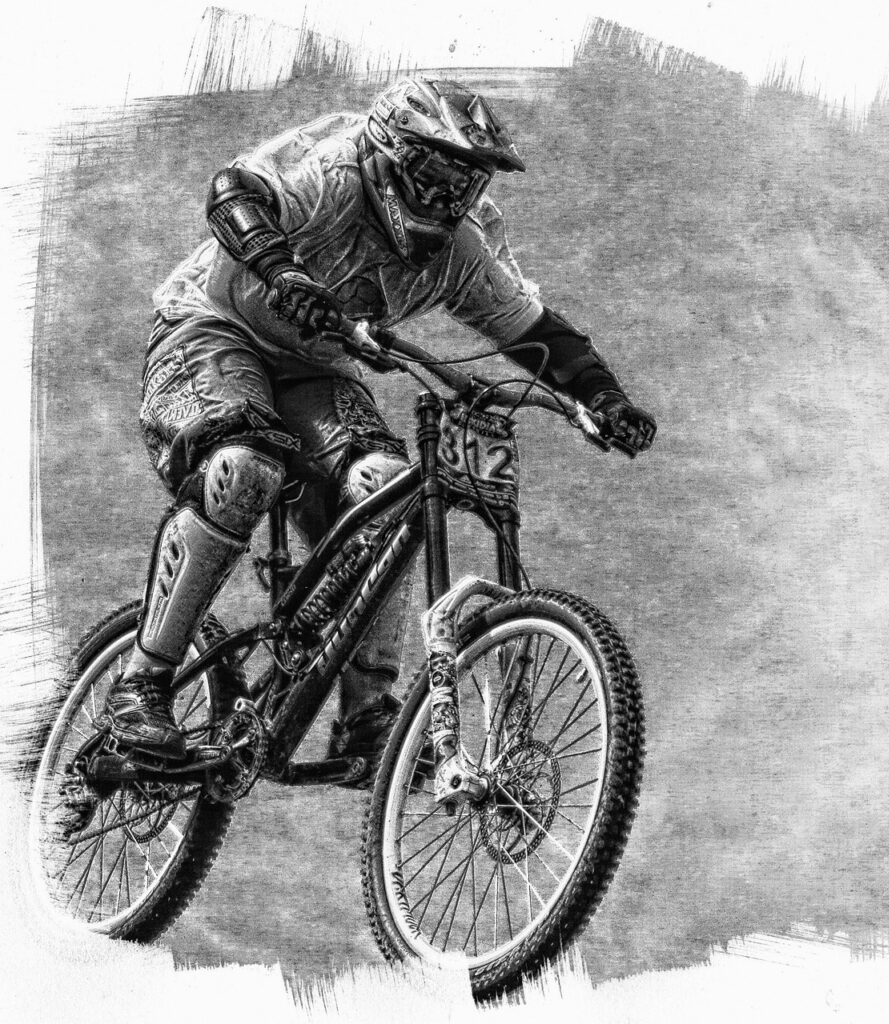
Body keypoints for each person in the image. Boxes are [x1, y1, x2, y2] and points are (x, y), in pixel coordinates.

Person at [102, 77, 657, 778]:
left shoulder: (461, 249)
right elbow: (234, 194)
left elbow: (537, 332)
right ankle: (142, 685)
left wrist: (604, 398)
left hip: (315, 367)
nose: (444, 201)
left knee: (387, 488)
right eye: (432, 177)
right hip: (212, 328)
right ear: (387, 155)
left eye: (463, 187)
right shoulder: (332, 172)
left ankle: (367, 714)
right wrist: (282, 271)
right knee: (243, 467)